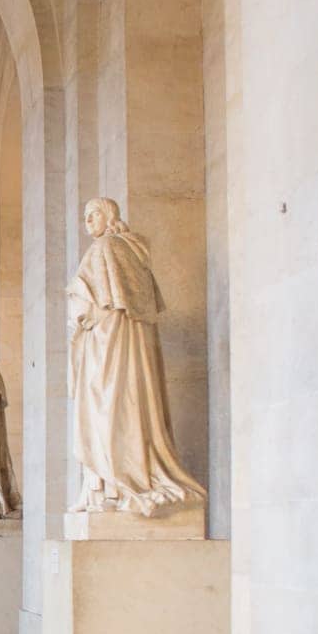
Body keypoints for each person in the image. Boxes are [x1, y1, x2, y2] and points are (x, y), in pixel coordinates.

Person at [68, 196, 206, 515]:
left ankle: (109, 486)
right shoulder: (132, 253)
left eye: (93, 215)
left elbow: (91, 305)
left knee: (102, 412)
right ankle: (103, 486)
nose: (87, 222)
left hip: (106, 347)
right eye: (85, 216)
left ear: (108, 216)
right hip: (118, 347)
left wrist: (78, 315)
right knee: (115, 411)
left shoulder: (104, 250)